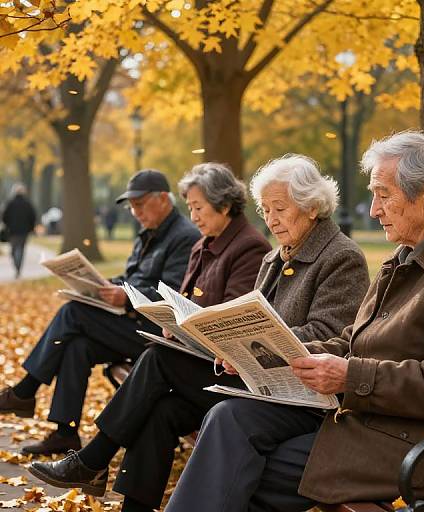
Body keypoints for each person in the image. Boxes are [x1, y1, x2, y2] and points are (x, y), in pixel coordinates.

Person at [155, 131, 424, 512]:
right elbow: (352, 340)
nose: (374, 210)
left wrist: (348, 376)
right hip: (366, 421)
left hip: (414, 447)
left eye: (383, 194)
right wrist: (268, 355)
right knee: (230, 419)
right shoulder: (408, 254)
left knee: (238, 468)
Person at [29, 154, 370, 512]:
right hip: (251, 378)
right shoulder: (276, 257)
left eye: (279, 209)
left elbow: (329, 334)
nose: (270, 219)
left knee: (159, 360)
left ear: (312, 206)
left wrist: (247, 343)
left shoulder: (341, 257)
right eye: (265, 209)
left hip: (294, 392)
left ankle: (94, 458)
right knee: (162, 408)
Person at [0, 169, 201, 455]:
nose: (135, 212)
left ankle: (24, 391)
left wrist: (127, 298)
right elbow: (133, 277)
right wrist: (103, 285)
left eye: (140, 204)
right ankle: (65, 433)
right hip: (128, 325)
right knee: (78, 347)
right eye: (132, 206)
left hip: (156, 332)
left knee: (73, 313)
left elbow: (172, 293)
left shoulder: (184, 237)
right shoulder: (147, 234)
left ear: (164, 199)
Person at [1, 183, 37, 278]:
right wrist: (31, 228)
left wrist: (7, 225)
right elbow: (33, 217)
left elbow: (4, 216)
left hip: (12, 231)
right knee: (20, 249)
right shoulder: (27, 204)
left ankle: (17, 266)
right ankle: (18, 267)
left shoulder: (10, 203)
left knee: (13, 250)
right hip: (24, 231)